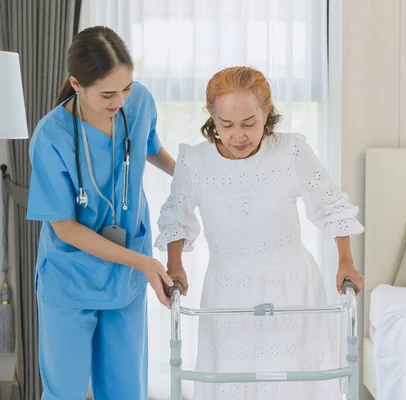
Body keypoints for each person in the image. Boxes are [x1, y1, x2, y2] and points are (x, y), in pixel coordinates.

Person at [155, 66, 365, 399]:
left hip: (291, 284)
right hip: (227, 289)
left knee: (292, 382)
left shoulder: (290, 151)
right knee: (233, 384)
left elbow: (330, 205)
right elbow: (176, 218)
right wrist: (175, 263)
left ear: (267, 113)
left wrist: (345, 260)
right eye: (226, 125)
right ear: (212, 117)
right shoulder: (194, 161)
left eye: (249, 123)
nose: (238, 135)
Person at [26, 26, 175, 400]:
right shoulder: (51, 137)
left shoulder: (138, 102)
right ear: (76, 84)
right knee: (66, 392)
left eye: (126, 88)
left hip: (125, 276)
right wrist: (141, 262)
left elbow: (151, 148)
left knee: (127, 389)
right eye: (108, 94)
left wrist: (198, 175)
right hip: (70, 275)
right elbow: (66, 228)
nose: (120, 101)